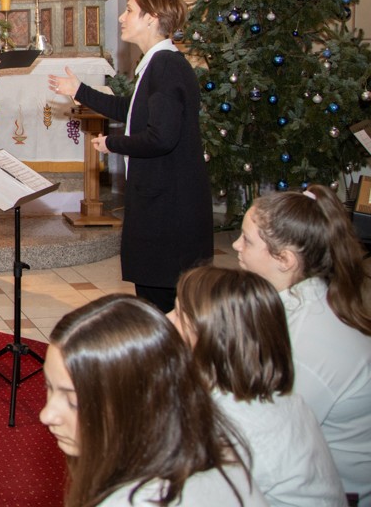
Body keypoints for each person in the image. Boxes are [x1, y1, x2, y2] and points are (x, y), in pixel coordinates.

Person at [48, 0, 211, 313]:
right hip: (166, 204)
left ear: (152, 18)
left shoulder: (165, 66)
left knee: (160, 308)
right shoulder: (161, 63)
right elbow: (134, 110)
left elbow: (161, 137)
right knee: (159, 304)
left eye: (130, 11)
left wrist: (111, 143)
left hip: (167, 210)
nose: (121, 17)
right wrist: (80, 90)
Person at [41, 294, 265, 507]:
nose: (46, 415)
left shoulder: (136, 501)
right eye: (49, 387)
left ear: (137, 404)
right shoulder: (219, 450)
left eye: (73, 401)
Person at [232, 185, 371, 504]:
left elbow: (261, 440)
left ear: (285, 260)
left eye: (248, 240)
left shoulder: (309, 346)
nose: (236, 246)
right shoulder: (305, 301)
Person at [171, 266, 345, 507]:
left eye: (178, 315)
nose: (167, 319)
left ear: (208, 337)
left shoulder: (230, 429)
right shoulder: (273, 396)